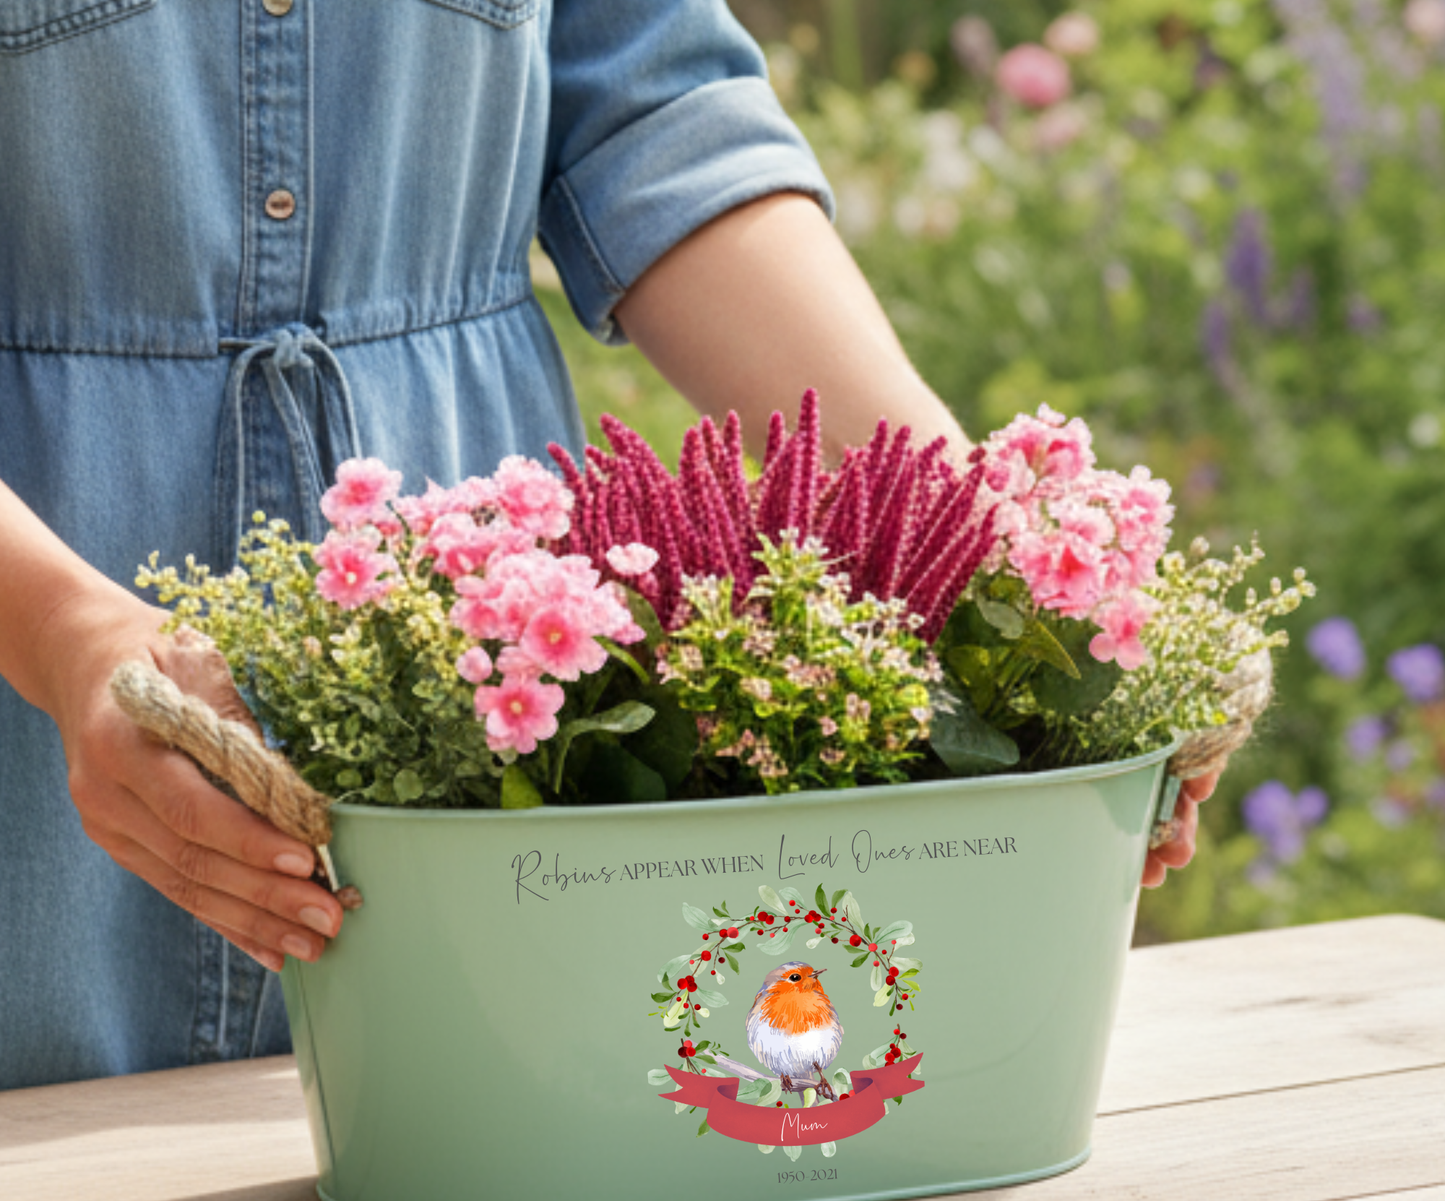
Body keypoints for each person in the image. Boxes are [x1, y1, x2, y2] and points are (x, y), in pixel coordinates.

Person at [0, 0, 1209, 1092]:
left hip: (484, 684)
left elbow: (653, 116)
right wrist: (65, 630)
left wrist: (969, 536)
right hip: (34, 662)